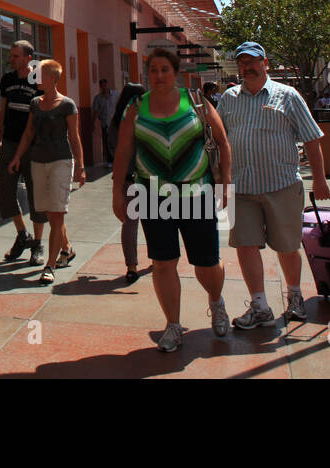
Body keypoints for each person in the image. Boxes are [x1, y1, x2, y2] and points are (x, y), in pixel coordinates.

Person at [112, 49, 233, 352]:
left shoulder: (194, 102)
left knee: (206, 264)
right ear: (147, 74)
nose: (159, 75)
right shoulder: (137, 107)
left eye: (165, 69)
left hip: (197, 194)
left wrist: (225, 184)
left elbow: (222, 142)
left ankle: (216, 301)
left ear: (175, 72)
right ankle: (173, 325)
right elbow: (124, 152)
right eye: (153, 70)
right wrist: (117, 191)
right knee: (163, 263)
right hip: (153, 196)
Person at [217, 41, 330, 329]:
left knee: (287, 246)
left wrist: (319, 178)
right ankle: (260, 306)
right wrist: (220, 181)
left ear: (265, 62)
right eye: (242, 63)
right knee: (245, 246)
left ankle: (294, 298)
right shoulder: (229, 98)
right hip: (241, 188)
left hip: (281, 186)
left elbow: (312, 139)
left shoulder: (288, 96)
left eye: (253, 61)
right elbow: (218, 142)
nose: (247, 67)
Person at [8, 60, 85, 284]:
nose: (37, 78)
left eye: (40, 74)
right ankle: (67, 249)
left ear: (52, 77)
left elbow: (74, 136)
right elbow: (28, 134)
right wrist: (16, 157)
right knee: (49, 213)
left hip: (61, 161)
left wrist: (80, 166)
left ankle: (50, 265)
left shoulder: (67, 105)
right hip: (37, 161)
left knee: (57, 212)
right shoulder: (35, 103)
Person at [0, 41, 47, 265]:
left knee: (36, 194)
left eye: (16, 55)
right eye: (11, 55)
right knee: (5, 187)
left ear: (29, 57)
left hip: (34, 145)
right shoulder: (7, 79)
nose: (12, 59)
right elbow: (2, 110)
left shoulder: (39, 80)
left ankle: (37, 244)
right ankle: (22, 234)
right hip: (9, 143)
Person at [110, 82, 147, 285]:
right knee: (154, 219)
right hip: (146, 176)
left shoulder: (116, 122)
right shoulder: (146, 119)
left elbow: (113, 148)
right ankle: (159, 258)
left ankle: (131, 266)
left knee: (130, 222)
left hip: (126, 177)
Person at [92, 80, 113, 167]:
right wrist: (93, 122)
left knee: (115, 141)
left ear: (107, 85)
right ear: (100, 87)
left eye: (105, 85)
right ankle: (110, 160)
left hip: (115, 122)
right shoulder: (98, 98)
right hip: (105, 123)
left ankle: (116, 159)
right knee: (107, 141)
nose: (104, 87)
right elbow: (96, 111)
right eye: (102, 86)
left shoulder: (115, 95)